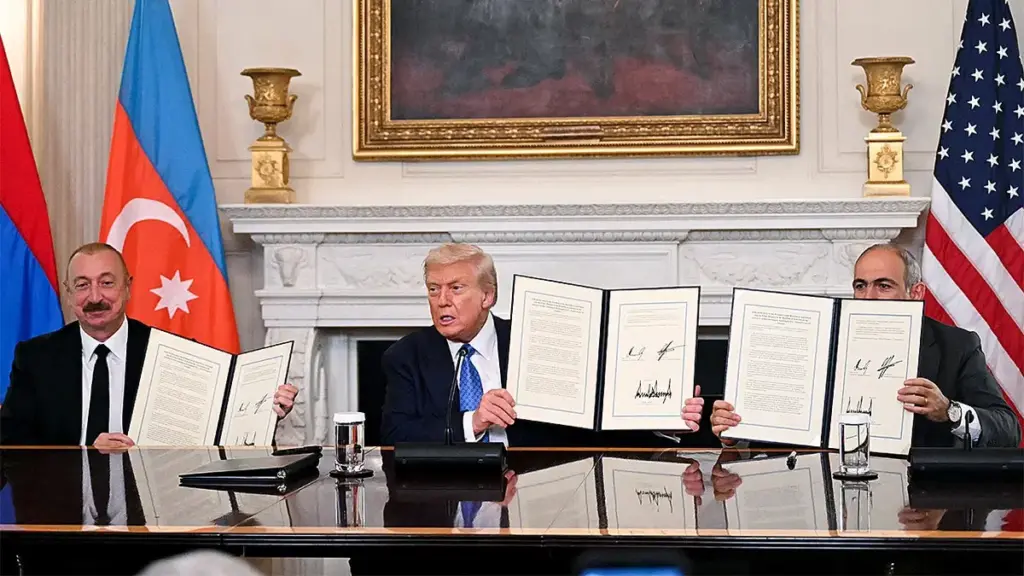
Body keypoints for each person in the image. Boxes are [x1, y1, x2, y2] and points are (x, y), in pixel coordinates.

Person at [380, 242, 706, 447]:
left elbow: (590, 424)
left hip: (533, 492)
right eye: (433, 289)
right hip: (444, 495)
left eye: (456, 288)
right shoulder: (406, 356)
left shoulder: (537, 341)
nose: (442, 301)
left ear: (488, 296)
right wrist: (473, 422)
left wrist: (662, 417)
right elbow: (394, 437)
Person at [708, 243, 1021, 449]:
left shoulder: (956, 345)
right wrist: (735, 433)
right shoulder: (820, 340)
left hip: (921, 497)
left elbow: (1008, 431)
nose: (869, 297)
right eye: (861, 286)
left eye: (884, 286)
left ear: (915, 293)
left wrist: (949, 411)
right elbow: (786, 432)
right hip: (825, 488)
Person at [0, 242, 299, 448]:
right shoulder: (35, 358)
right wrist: (85, 451)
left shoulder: (176, 354)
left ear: (128, 287)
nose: (95, 297)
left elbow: (219, 425)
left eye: (107, 283)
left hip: (154, 508)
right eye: (82, 285)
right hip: (61, 509)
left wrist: (265, 408)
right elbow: (12, 444)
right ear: (68, 293)